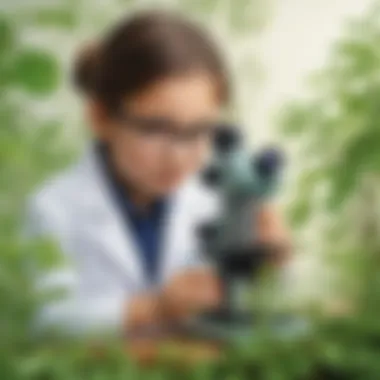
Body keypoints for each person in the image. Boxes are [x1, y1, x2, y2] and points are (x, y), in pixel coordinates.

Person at [26, 10, 291, 337]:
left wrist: (271, 260)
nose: (179, 156)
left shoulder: (213, 198)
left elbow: (253, 306)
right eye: (155, 129)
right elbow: (46, 319)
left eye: (200, 131)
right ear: (100, 118)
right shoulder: (54, 207)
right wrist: (152, 308)